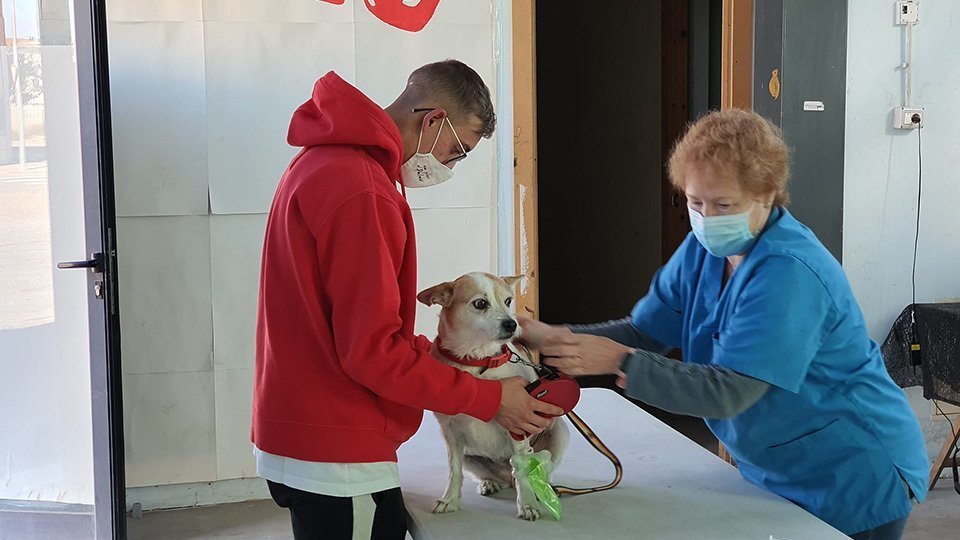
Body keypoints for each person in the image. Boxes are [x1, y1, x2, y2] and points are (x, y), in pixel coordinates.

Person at [519, 109, 929, 540]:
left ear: (768, 194)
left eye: (723, 205)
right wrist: (555, 339)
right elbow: (646, 332)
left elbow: (731, 390)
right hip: (777, 464)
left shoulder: (789, 272)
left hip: (852, 471)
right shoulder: (704, 250)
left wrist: (622, 361)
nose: (707, 219)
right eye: (695, 203)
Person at [252, 60, 562, 540]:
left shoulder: (323, 162)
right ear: (434, 120)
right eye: (458, 152)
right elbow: (370, 353)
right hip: (338, 448)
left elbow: (339, 324)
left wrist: (433, 354)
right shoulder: (363, 189)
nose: (452, 168)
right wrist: (488, 398)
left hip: (307, 424)